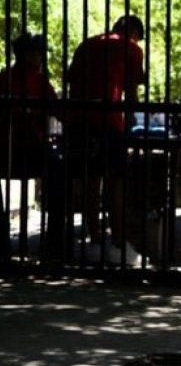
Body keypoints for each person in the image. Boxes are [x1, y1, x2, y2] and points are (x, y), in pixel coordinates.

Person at [65, 15, 146, 266]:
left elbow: (70, 80)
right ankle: (119, 244)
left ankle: (95, 240)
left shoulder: (87, 44)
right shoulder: (131, 48)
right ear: (133, 32)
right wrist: (132, 118)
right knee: (115, 181)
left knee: (91, 179)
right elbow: (131, 92)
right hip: (107, 121)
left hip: (78, 120)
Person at [0, 32, 58, 178]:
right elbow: (58, 110)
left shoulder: (4, 79)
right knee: (58, 167)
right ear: (27, 55)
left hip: (6, 148)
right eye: (39, 54)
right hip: (31, 146)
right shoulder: (39, 81)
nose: (41, 58)